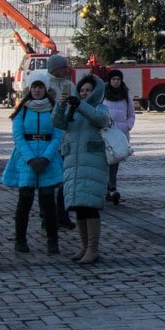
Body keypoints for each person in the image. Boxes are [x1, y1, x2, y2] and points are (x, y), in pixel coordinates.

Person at [0, 76, 64, 254]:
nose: (37, 91)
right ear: (30, 89)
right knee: (25, 200)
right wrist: (30, 158)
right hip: (25, 159)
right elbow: (18, 137)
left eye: (40, 87)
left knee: (48, 201)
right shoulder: (22, 109)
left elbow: (58, 135)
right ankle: (20, 240)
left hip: (47, 159)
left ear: (46, 89)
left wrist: (46, 157)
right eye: (34, 87)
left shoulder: (53, 109)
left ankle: (53, 241)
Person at [52, 73, 110, 265]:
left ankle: (93, 248)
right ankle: (84, 246)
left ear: (96, 92)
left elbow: (100, 119)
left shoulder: (99, 107)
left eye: (88, 90)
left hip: (92, 163)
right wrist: (61, 105)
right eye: (82, 90)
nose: (84, 93)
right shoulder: (73, 110)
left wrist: (80, 104)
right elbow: (58, 123)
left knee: (90, 206)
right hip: (74, 163)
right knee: (78, 206)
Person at [42, 54, 78, 230]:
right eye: (63, 67)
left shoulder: (69, 85)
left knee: (66, 179)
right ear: (54, 68)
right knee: (48, 179)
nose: (66, 70)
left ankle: (63, 214)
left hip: (65, 137)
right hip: (49, 138)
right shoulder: (45, 84)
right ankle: (46, 216)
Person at [101, 69, 135, 205]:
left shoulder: (125, 94)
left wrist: (128, 126)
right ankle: (108, 188)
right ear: (109, 81)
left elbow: (131, 112)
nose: (116, 82)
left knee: (115, 161)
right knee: (105, 161)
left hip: (120, 133)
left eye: (118, 79)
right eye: (113, 79)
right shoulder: (103, 94)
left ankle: (112, 187)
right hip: (106, 133)